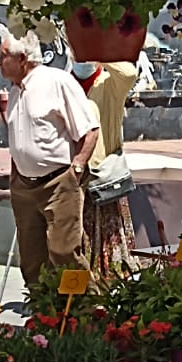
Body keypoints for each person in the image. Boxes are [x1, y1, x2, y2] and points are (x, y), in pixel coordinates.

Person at [0, 33, 99, 290]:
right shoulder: (15, 91)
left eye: (3, 57)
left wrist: (77, 168)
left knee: (64, 252)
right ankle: (44, 311)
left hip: (58, 182)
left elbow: (89, 130)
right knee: (31, 258)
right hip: (23, 186)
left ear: (22, 58)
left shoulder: (57, 81)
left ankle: (89, 309)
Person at [74, 59, 140, 274]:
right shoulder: (64, 82)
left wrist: (99, 52)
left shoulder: (109, 83)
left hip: (103, 174)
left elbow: (129, 73)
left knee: (107, 234)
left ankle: (107, 281)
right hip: (71, 176)